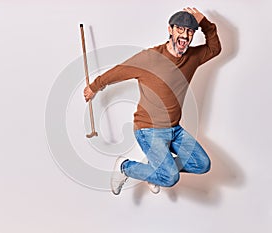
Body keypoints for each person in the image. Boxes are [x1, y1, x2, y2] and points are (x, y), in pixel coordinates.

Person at [84, 7, 221, 195]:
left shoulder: (193, 57)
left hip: (175, 129)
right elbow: (119, 70)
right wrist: (94, 86)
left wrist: (204, 23)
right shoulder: (150, 58)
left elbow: (215, 48)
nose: (185, 35)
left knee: (202, 164)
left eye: (190, 31)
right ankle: (125, 166)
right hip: (148, 129)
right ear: (170, 30)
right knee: (170, 178)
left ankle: (154, 169)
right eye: (180, 29)